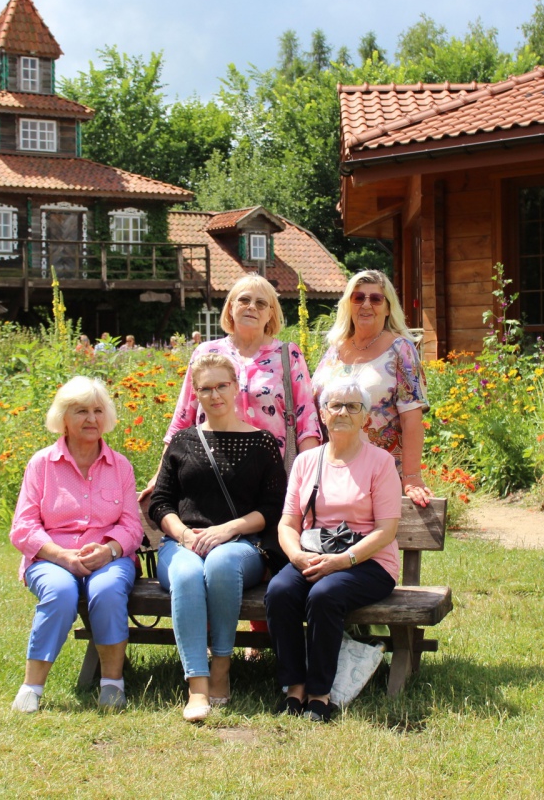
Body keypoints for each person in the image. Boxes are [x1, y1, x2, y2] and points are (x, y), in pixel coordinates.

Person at [148, 353, 287, 722]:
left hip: (242, 547)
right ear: (195, 394)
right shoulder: (183, 441)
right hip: (183, 544)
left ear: (236, 387)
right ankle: (197, 683)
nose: (215, 395)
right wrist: (182, 534)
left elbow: (274, 508)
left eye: (222, 385)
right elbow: (160, 502)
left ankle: (222, 667)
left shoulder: (262, 443)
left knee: (223, 562)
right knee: (188, 574)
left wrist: (229, 529)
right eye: (205, 388)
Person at [265, 377, 401, 722]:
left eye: (352, 406)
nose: (342, 412)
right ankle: (293, 687)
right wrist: (295, 556)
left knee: (325, 595)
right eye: (335, 405)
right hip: (314, 554)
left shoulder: (380, 462)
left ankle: (320, 693)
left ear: (364, 418)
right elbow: (287, 523)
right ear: (323, 414)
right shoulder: (307, 461)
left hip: (368, 561)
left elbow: (387, 530)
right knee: (280, 590)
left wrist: (342, 561)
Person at [9, 376, 143, 713]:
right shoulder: (41, 464)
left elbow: (131, 525)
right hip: (51, 559)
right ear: (63, 418)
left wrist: (109, 550)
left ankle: (112, 684)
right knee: (61, 593)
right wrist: (61, 556)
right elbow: (23, 527)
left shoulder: (121, 466)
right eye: (81, 411)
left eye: (98, 411)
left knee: (109, 591)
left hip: (109, 558)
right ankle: (32, 687)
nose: (92, 419)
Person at [142, 274, 321, 503]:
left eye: (261, 303)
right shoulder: (206, 353)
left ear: (270, 314)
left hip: (270, 479)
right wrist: (160, 473)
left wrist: (310, 478)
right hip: (210, 472)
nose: (251, 308)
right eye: (244, 300)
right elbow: (183, 416)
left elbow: (306, 420)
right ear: (230, 308)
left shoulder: (287, 355)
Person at [313, 270, 432, 507]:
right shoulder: (335, 348)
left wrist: (411, 478)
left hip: (380, 473)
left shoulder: (401, 350)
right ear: (348, 304)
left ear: (388, 308)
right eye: (358, 298)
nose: (366, 304)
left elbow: (412, 419)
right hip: (332, 469)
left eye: (375, 299)